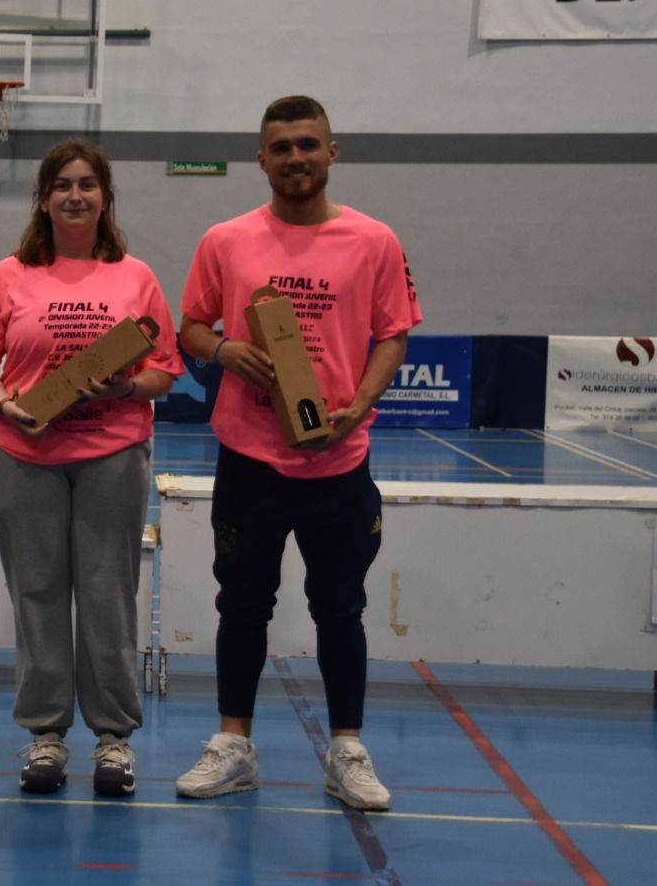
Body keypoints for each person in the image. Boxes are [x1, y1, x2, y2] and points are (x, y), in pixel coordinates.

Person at [175, 95, 421, 812]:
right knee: (242, 603)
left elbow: (394, 334)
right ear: (261, 159)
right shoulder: (226, 238)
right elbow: (189, 325)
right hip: (250, 458)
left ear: (332, 152)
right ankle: (233, 745)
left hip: (338, 460)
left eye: (308, 144)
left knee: (340, 607)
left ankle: (347, 748)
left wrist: (359, 407)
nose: (295, 158)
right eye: (280, 147)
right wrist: (224, 349)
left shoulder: (375, 240)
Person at [0, 139, 182, 797]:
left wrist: (124, 389)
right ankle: (46, 734)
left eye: (88, 184)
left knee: (109, 594)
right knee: (37, 593)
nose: (76, 195)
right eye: (63, 185)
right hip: (24, 453)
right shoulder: (10, 275)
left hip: (112, 452)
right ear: (44, 198)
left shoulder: (135, 275)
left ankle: (113, 737)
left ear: (106, 196)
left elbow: (163, 368)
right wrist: (5, 401)